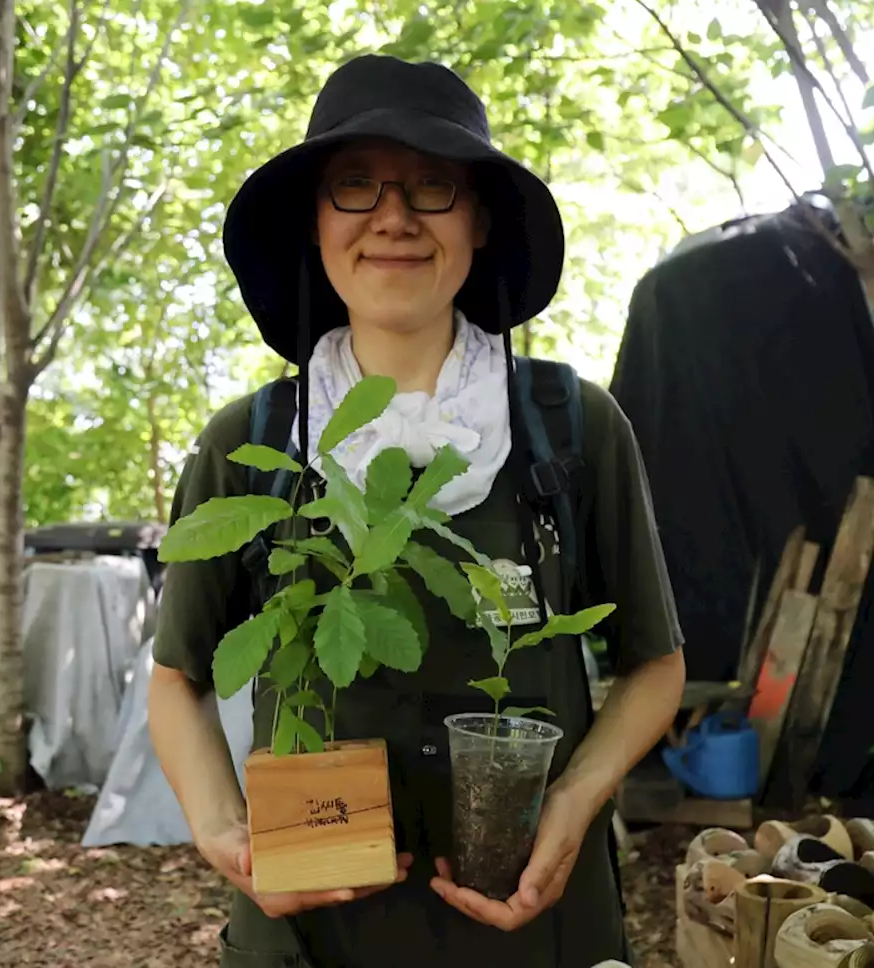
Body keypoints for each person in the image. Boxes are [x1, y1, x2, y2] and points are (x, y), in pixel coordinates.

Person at [148, 54, 686, 968]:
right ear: (315, 224)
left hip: (532, 921)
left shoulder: (570, 426)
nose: (393, 217)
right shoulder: (256, 441)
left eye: (433, 186)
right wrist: (222, 832)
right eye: (355, 187)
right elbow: (179, 679)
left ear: (478, 221)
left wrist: (569, 805)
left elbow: (655, 665)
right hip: (312, 930)